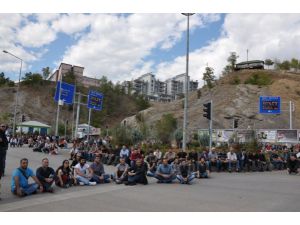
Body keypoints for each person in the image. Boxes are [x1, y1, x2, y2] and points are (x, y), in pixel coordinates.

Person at [0, 124, 8, 200]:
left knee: (3, 162)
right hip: (1, 151)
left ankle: (2, 171)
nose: (3, 127)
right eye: (2, 126)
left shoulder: (3, 134)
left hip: (3, 151)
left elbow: (5, 142)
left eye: (4, 126)